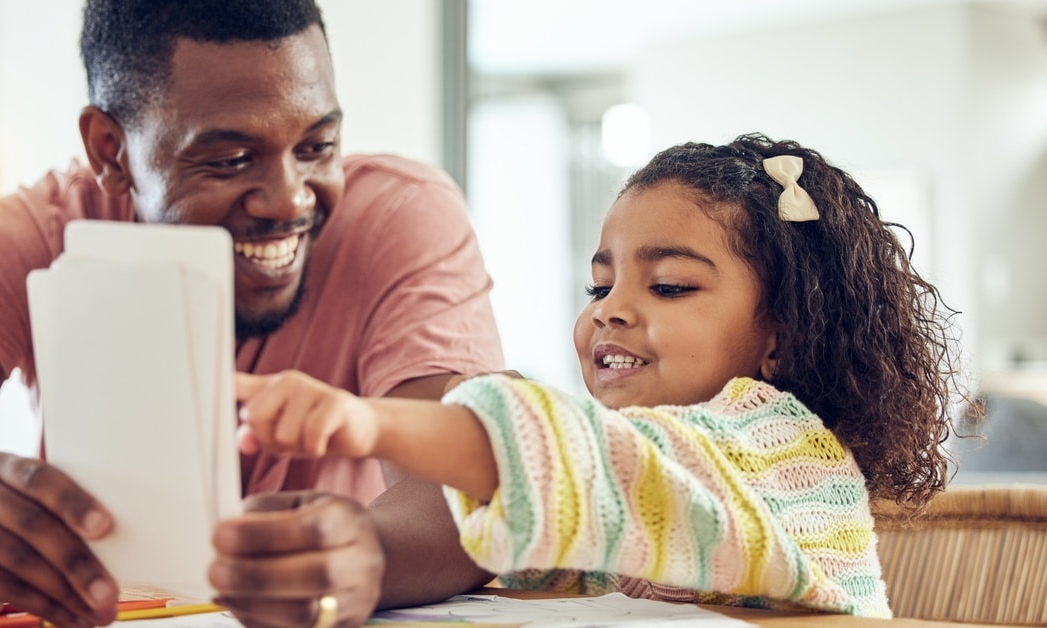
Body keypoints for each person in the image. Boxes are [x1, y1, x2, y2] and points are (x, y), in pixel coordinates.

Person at [0, 1, 504, 626]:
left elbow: (467, 483)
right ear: (110, 149)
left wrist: (369, 554)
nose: (287, 198)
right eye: (229, 159)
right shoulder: (19, 240)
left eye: (316, 146)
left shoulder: (399, 216)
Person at [232, 134, 974, 619]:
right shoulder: (620, 472)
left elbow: (600, 468)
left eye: (671, 287)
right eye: (599, 287)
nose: (610, 313)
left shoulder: (783, 449)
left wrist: (370, 421)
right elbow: (529, 533)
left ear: (780, 336)